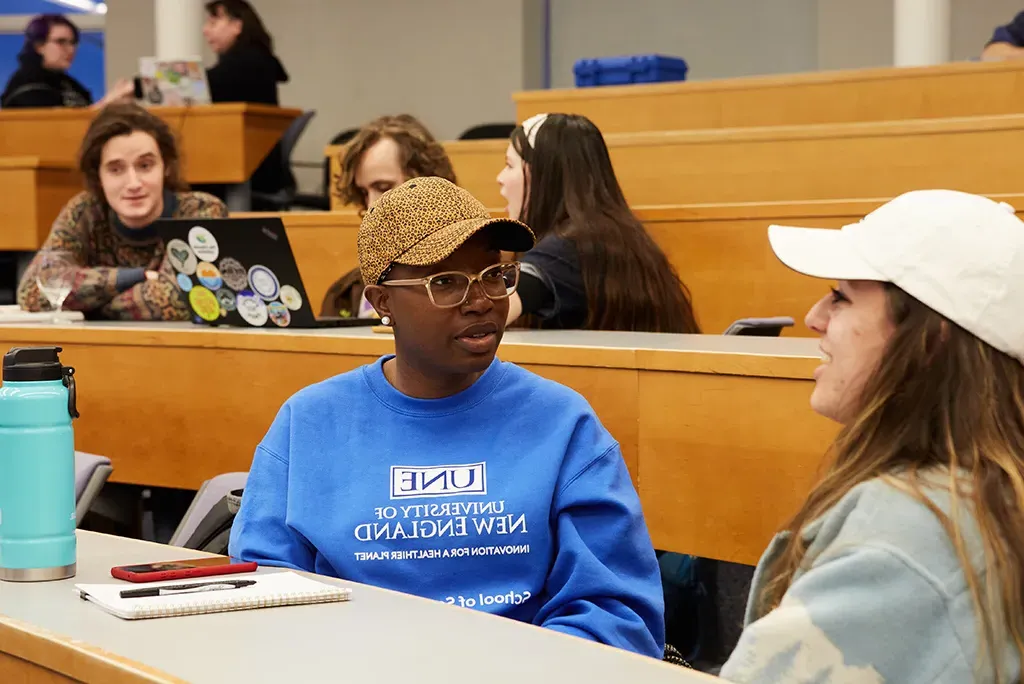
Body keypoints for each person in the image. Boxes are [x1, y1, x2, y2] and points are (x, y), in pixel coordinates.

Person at [230, 176, 666, 659]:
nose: (481, 301)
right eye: (445, 282)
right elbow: (264, 600)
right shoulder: (307, 423)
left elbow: (617, 614)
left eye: (494, 276)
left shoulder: (564, 423)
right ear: (382, 303)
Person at [719, 190, 1024, 682]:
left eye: (841, 296)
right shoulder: (981, 500)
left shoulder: (909, 544)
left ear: (930, 342)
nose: (814, 316)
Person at [17, 103, 227, 320]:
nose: (133, 183)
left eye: (145, 166)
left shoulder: (200, 211)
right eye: (116, 169)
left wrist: (88, 309)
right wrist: (131, 278)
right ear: (98, 176)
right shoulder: (85, 211)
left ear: (166, 168)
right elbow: (34, 291)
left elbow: (178, 298)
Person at [497, 113, 699, 333]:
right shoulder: (617, 235)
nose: (500, 178)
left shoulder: (565, 249)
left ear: (545, 175)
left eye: (509, 165)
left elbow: (491, 312)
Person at [320, 114, 457, 317]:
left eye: (383, 187)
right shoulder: (345, 293)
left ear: (427, 180)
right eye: (364, 193)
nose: (371, 205)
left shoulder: (478, 279)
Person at [201, 0, 290, 203]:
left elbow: (203, 83)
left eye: (213, 23)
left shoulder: (250, 62)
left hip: (251, 169)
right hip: (250, 166)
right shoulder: (255, 60)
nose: (205, 31)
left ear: (237, 26)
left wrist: (139, 86)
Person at [1, 14, 132, 109]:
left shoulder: (69, 83)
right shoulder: (26, 86)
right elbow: (58, 128)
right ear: (39, 46)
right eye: (61, 42)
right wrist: (108, 103)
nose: (70, 49)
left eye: (73, 43)